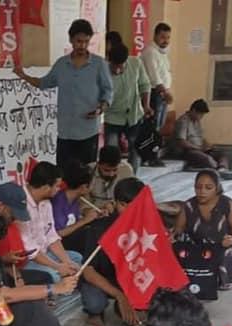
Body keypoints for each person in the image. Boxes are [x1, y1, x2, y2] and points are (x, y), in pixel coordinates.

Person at [15, 19, 113, 168]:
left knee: (86, 173)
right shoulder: (61, 64)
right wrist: (24, 76)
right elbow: (43, 83)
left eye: (86, 41)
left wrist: (101, 108)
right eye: (79, 41)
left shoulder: (99, 64)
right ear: (71, 40)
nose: (83, 46)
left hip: (88, 131)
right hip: (65, 132)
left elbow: (108, 90)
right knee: (63, 174)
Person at [76, 178, 146, 326]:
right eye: (123, 204)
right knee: (94, 303)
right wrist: (120, 296)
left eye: (133, 205)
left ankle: (122, 307)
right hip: (102, 279)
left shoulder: (148, 227)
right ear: (114, 203)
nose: (128, 210)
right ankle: (96, 313)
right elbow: (88, 272)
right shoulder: (99, 228)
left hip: (131, 279)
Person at [172, 170, 232, 291]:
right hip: (197, 248)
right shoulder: (188, 205)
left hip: (221, 246)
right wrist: (172, 236)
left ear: (217, 188)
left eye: (208, 188)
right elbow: (178, 231)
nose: (202, 191)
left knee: (225, 256)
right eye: (198, 187)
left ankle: (221, 278)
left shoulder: (227, 204)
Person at [20, 161, 85, 284]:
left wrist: (66, 262)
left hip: (45, 253)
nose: (59, 190)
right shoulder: (21, 204)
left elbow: (52, 236)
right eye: (57, 186)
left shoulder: (46, 203)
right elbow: (31, 251)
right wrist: (57, 267)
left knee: (76, 259)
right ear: (45, 188)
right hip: (28, 260)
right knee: (53, 275)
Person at [104, 42, 153, 174]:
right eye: (115, 65)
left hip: (134, 115)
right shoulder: (103, 71)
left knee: (135, 149)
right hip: (112, 117)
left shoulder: (136, 63)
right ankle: (112, 179)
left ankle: (132, 178)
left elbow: (145, 85)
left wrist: (146, 105)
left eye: (122, 65)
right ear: (109, 60)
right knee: (111, 152)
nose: (118, 69)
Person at [174, 99, 232, 180]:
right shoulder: (183, 121)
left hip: (199, 149)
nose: (201, 117)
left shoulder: (196, 121)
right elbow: (181, 142)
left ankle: (222, 169)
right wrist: (198, 148)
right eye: (200, 114)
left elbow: (200, 137)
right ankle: (218, 172)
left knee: (222, 154)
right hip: (187, 151)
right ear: (194, 110)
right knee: (207, 159)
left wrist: (208, 146)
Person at [141, 21, 173, 166]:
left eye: (167, 37)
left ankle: (153, 155)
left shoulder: (162, 53)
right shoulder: (150, 52)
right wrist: (164, 93)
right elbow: (154, 77)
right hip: (154, 94)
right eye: (162, 37)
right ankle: (149, 157)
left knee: (158, 127)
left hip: (162, 94)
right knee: (151, 127)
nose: (165, 41)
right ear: (155, 35)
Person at [52, 162, 100, 252]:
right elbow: (59, 233)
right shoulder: (58, 201)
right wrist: (85, 220)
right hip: (59, 244)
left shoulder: (75, 200)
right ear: (84, 187)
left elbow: (73, 221)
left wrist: (93, 216)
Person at [88, 145, 135, 210]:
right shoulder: (89, 171)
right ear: (98, 164)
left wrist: (114, 204)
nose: (111, 174)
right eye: (106, 170)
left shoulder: (126, 170)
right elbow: (83, 199)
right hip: (94, 211)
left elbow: (133, 196)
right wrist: (87, 210)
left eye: (115, 170)